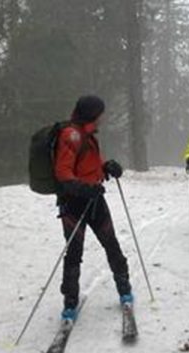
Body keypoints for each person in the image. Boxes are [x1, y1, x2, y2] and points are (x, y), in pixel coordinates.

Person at [54, 95, 133, 321]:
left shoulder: (86, 134)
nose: (103, 117)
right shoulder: (72, 135)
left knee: (111, 243)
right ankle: (70, 303)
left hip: (94, 199)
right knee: (75, 253)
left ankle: (124, 289)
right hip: (73, 204)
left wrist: (105, 167)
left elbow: (87, 165)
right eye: (100, 113)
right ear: (92, 114)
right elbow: (63, 172)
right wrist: (83, 188)